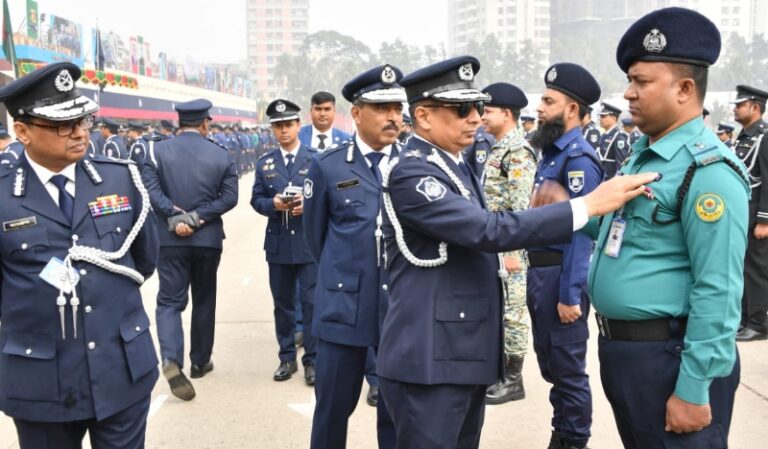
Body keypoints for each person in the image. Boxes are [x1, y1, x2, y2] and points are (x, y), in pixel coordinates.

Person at [375, 55, 657, 449]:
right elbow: (485, 229)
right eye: (461, 109)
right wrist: (586, 206)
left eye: (476, 107)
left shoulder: (454, 163)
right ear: (423, 116)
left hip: (457, 353)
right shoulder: (414, 171)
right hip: (431, 359)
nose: (474, 117)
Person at [589, 8, 749, 448]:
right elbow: (620, 232)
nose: (628, 93)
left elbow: (718, 287)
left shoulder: (708, 171)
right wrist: (572, 213)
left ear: (684, 89)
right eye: (630, 81)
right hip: (628, 356)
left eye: (641, 82)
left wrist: (694, 388)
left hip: (671, 360)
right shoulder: (644, 155)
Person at [0, 62, 160, 449]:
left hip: (121, 368)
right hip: (41, 381)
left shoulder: (122, 178)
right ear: (22, 132)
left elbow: (144, 259)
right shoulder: (4, 194)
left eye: (83, 120)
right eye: (61, 125)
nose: (78, 132)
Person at [304, 64, 404, 449]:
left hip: (398, 305)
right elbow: (317, 239)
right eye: (381, 108)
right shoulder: (327, 167)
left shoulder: (412, 165)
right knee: (332, 409)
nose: (392, 116)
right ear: (357, 114)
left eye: (397, 107)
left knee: (396, 411)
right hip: (342, 306)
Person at [526, 63, 604, 449]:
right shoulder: (552, 153)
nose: (539, 107)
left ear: (571, 109)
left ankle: (572, 440)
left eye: (548, 100)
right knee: (553, 366)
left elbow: (582, 233)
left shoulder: (578, 160)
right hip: (543, 274)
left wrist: (570, 294)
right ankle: (563, 434)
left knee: (569, 370)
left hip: (560, 277)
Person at [141, 99, 239, 401]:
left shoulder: (155, 151)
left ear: (178, 123)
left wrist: (174, 214)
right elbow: (230, 197)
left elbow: (150, 189)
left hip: (169, 240)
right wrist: (197, 218)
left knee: (170, 301)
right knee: (204, 299)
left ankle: (171, 358)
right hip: (207, 239)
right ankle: (199, 361)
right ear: (206, 123)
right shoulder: (221, 155)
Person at [251, 99, 317, 385]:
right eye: (278, 126)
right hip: (278, 244)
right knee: (283, 305)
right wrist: (274, 205)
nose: (283, 131)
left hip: (307, 244)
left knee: (311, 303)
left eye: (288, 125)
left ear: (298, 126)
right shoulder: (265, 163)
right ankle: (286, 357)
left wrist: (309, 204)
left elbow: (331, 196)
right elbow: (256, 199)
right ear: (272, 130)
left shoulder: (315, 160)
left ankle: (312, 360)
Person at [478, 82, 537, 405]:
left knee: (513, 313)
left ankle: (513, 380)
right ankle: (500, 373)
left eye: (488, 111)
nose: (482, 117)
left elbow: (520, 208)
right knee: (499, 310)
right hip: (494, 245)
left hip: (508, 249)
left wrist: (512, 253)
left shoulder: (517, 152)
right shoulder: (498, 147)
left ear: (506, 113)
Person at [731, 85, 768, 341]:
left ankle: (758, 322)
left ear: (755, 107)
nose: (735, 108)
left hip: (756, 216)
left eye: (740, 104)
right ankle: (745, 319)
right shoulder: (743, 138)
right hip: (741, 213)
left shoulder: (764, 138)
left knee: (756, 269)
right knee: (742, 268)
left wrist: (765, 219)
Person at [597, 102, 630, 179]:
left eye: (603, 116)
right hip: (602, 179)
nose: (600, 119)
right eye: (600, 116)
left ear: (613, 118)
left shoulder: (619, 136)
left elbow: (621, 164)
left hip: (611, 180)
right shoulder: (604, 135)